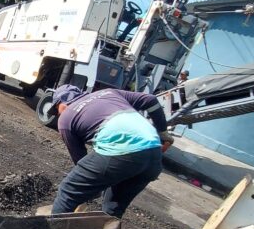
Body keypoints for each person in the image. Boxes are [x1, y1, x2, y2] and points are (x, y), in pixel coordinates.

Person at [50, 85, 173, 217]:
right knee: (113, 208)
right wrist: (163, 133)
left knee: (68, 191)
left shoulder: (65, 119)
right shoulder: (108, 92)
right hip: (154, 154)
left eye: (57, 109)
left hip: (123, 150)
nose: (58, 114)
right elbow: (151, 100)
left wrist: (89, 191)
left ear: (61, 103)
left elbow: (80, 159)